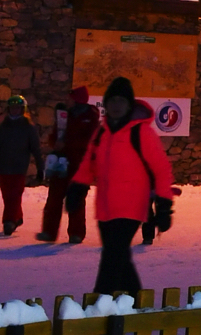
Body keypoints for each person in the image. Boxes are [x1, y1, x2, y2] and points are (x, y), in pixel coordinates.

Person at [70, 77, 174, 296]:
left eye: (121, 101)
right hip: (106, 208)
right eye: (113, 101)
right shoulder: (101, 133)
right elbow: (88, 164)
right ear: (106, 104)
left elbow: (162, 169)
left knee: (111, 257)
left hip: (131, 207)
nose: (116, 105)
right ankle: (137, 301)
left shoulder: (141, 133)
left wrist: (164, 206)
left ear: (129, 105)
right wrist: (77, 189)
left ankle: (100, 303)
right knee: (119, 257)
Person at [36, 85, 97, 245]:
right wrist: (54, 143)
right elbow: (56, 134)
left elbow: (90, 141)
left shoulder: (90, 117)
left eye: (70, 98)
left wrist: (67, 144)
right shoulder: (64, 116)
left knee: (76, 199)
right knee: (54, 199)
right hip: (61, 163)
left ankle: (76, 233)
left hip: (79, 164)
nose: (66, 100)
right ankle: (49, 232)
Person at [0, 94, 44, 236]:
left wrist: (40, 167)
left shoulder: (28, 127)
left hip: (19, 167)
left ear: (22, 109)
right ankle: (17, 216)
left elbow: (36, 149)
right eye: (12, 108)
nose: (15, 111)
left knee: (15, 195)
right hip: (4, 166)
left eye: (17, 108)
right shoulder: (4, 127)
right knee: (7, 195)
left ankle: (9, 221)